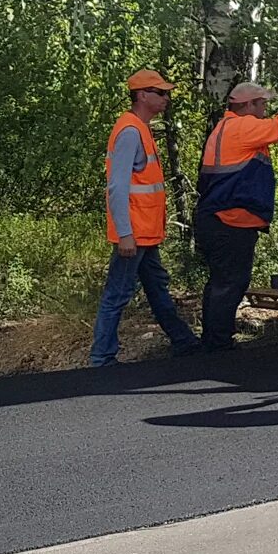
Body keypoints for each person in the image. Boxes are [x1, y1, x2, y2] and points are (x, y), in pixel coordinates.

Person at [194, 81, 278, 350]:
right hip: (230, 221)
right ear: (247, 105)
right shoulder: (242, 127)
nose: (266, 108)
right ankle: (217, 345)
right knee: (231, 282)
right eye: (262, 103)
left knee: (221, 281)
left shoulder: (224, 128)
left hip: (217, 219)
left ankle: (212, 340)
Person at [89, 69, 201, 365]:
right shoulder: (130, 131)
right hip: (134, 234)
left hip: (145, 233)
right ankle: (101, 359)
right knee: (118, 292)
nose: (166, 98)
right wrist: (125, 233)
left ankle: (183, 340)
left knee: (156, 286)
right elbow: (117, 186)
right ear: (142, 95)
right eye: (160, 93)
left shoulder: (139, 128)